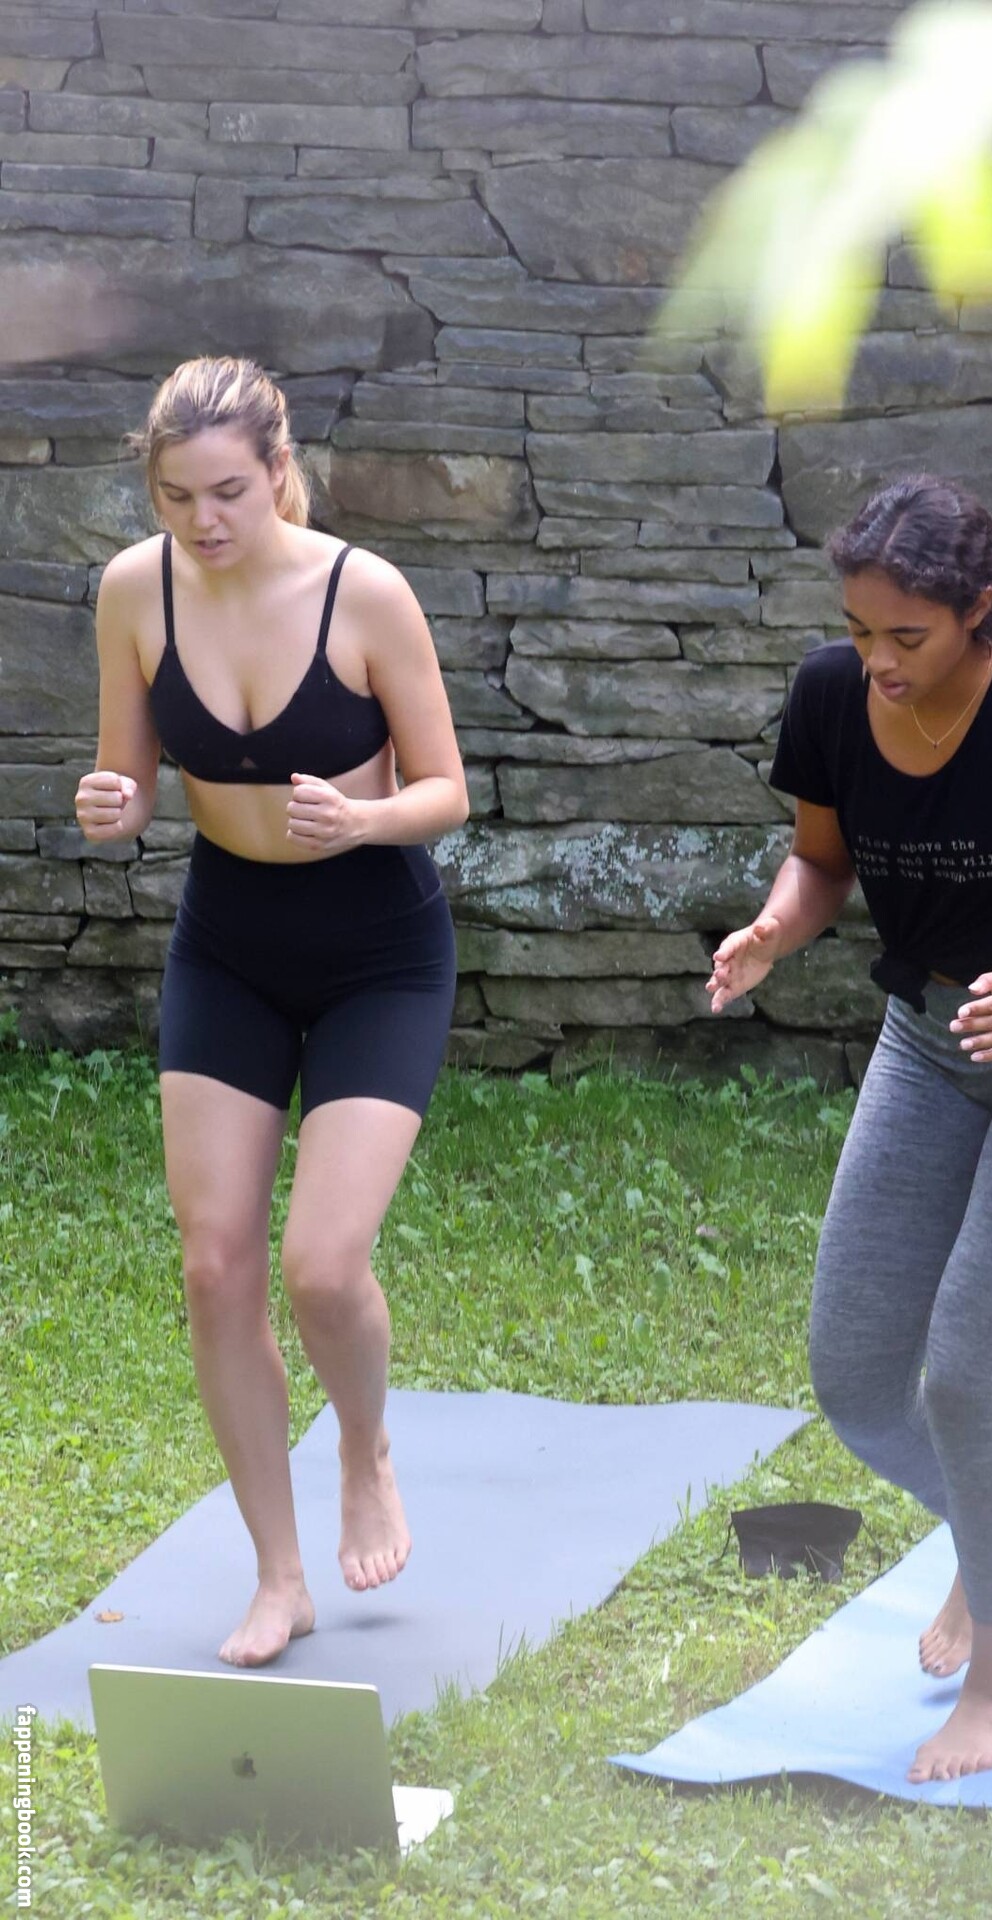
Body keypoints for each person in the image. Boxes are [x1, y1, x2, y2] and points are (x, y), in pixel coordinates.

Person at [706, 476, 992, 1783]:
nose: (876, 661)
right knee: (857, 1380)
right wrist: (773, 927)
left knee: (967, 1379)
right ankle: (986, 1536)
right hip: (927, 1043)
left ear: (979, 608)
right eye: (859, 631)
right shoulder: (831, 698)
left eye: (904, 635)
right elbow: (821, 861)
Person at [75, 358, 468, 1668]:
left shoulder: (366, 593)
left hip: (378, 952)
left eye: (229, 492)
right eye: (177, 495)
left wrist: (363, 817)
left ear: (280, 471)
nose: (204, 520)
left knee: (322, 1267)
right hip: (229, 945)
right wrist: (117, 803)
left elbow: (447, 789)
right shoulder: (134, 592)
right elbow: (130, 774)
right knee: (214, 1267)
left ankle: (364, 1449)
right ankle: (279, 1576)